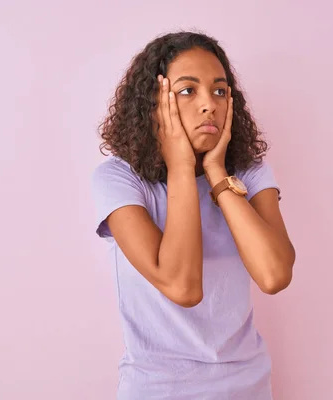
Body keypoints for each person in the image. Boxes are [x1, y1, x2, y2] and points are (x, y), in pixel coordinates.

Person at [91, 31, 296, 400]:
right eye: (188, 90)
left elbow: (274, 275)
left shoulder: (248, 173)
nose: (209, 104)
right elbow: (183, 287)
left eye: (219, 91)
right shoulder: (119, 178)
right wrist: (182, 168)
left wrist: (217, 174)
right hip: (157, 390)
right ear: (155, 103)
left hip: (247, 388)